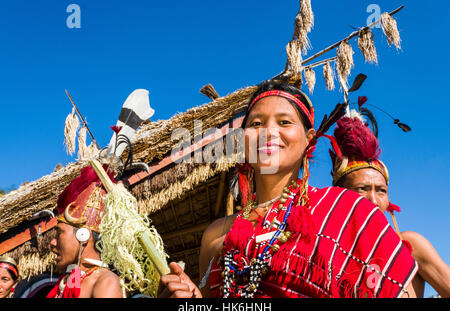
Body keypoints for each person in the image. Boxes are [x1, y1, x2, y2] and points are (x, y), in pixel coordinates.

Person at [158, 80, 417, 298]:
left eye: (284, 122)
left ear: (309, 139)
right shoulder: (216, 234)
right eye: (257, 124)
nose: (269, 132)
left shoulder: (349, 211)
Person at [330, 111, 450, 298]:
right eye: (362, 188)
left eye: (381, 190)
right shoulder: (327, 254)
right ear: (340, 195)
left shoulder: (410, 246)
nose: (373, 200)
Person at [46, 166, 123, 298]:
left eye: (59, 234)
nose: (53, 242)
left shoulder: (105, 283)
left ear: (83, 235)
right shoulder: (64, 284)